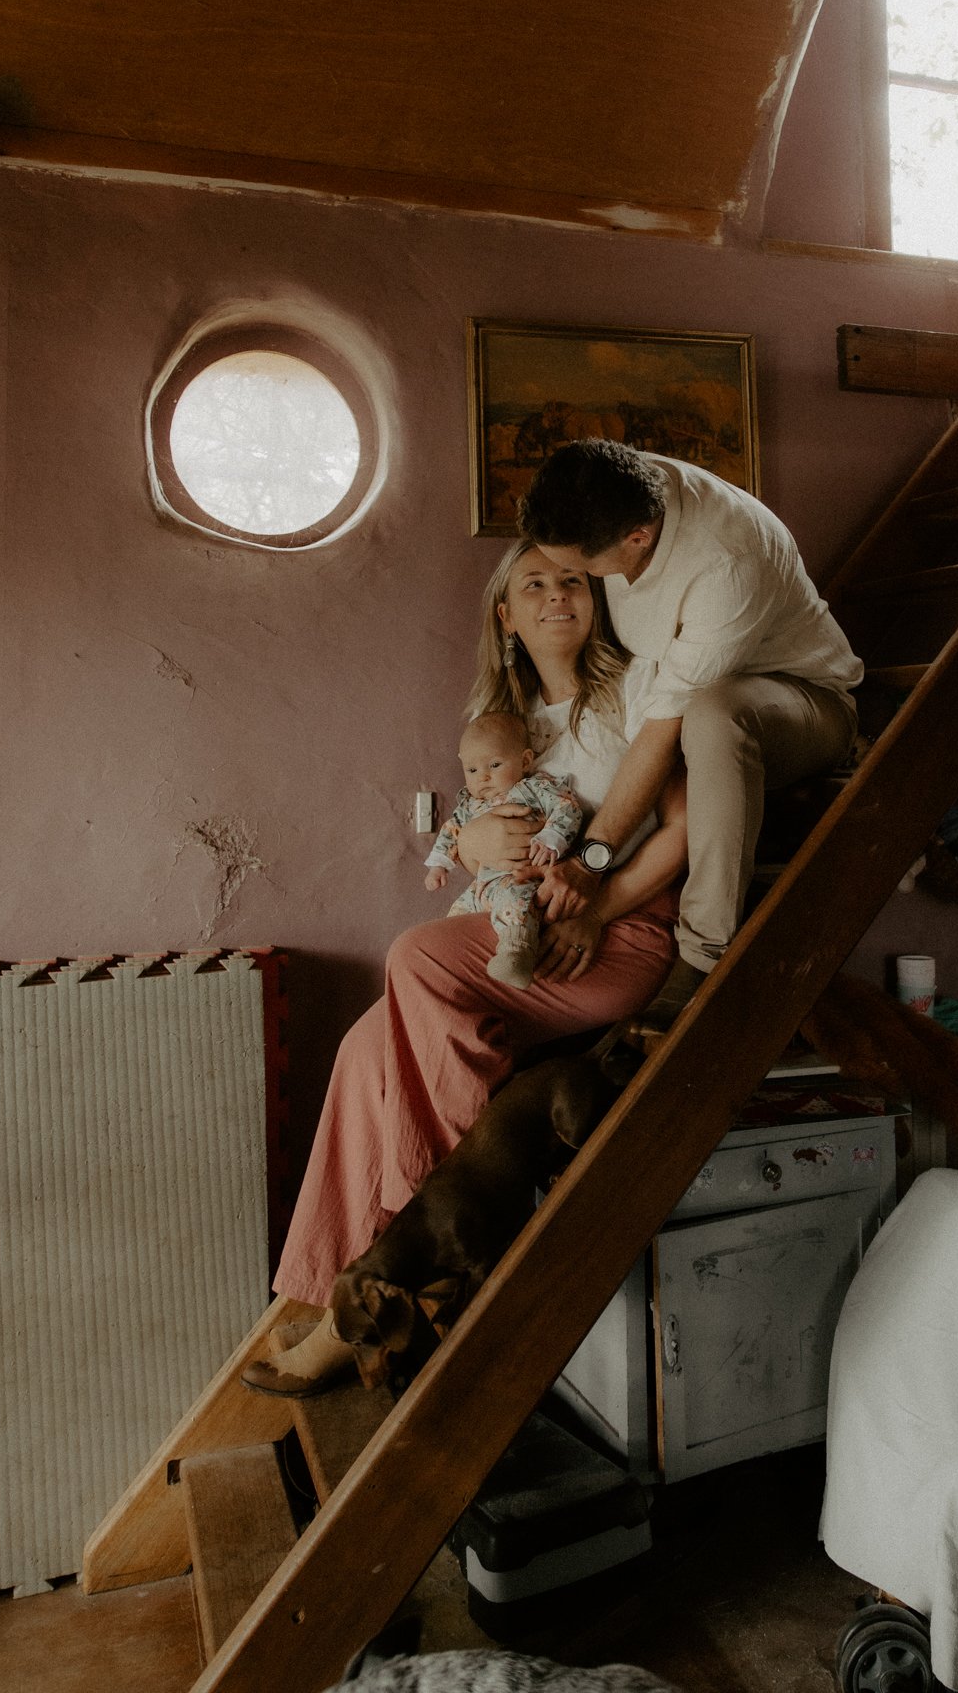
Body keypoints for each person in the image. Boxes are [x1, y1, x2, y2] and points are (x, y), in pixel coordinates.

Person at [243, 540, 686, 1395]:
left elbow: (684, 832)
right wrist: (475, 840)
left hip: (612, 935)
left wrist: (597, 905)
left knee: (416, 955)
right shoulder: (505, 724)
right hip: (513, 938)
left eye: (572, 580)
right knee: (363, 1047)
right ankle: (332, 1292)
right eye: (534, 584)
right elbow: (477, 839)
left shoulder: (637, 695)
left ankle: (409, 1254)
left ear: (597, 597)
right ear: (505, 615)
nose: (557, 595)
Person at [518, 441, 861, 1024]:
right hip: (685, 704)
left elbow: (663, 730)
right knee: (697, 714)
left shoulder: (726, 564)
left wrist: (590, 865)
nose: (580, 583)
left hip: (805, 703)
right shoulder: (622, 483)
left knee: (712, 714)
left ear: (637, 538)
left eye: (585, 572)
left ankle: (705, 954)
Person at [423, 711, 583, 988]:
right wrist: (439, 864)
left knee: (515, 902)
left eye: (494, 765)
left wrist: (552, 837)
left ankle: (516, 954)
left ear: (525, 761)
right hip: (482, 884)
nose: (483, 777)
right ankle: (449, 966)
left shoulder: (535, 788)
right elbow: (452, 830)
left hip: (521, 874)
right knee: (456, 913)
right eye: (472, 770)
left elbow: (567, 807)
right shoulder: (469, 805)